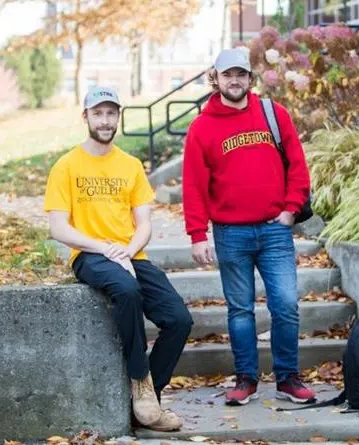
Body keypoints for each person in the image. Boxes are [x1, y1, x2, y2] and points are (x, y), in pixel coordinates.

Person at [44, 87, 193, 431]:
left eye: (111, 113)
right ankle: (140, 379)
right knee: (126, 290)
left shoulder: (130, 165)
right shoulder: (66, 166)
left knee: (179, 319)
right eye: (98, 113)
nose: (105, 120)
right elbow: (58, 228)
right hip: (89, 255)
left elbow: (144, 225)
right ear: (86, 117)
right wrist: (104, 248)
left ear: (118, 117)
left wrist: (126, 251)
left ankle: (148, 399)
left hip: (130, 255)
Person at [182, 48, 316, 406]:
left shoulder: (274, 114)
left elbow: (298, 167)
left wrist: (290, 210)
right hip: (231, 233)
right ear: (217, 79)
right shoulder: (202, 127)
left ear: (250, 78)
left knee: (286, 305)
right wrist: (197, 234)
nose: (235, 80)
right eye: (228, 75)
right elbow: (193, 184)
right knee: (240, 309)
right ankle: (246, 379)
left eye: (241, 74)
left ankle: (288, 378)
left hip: (275, 231)